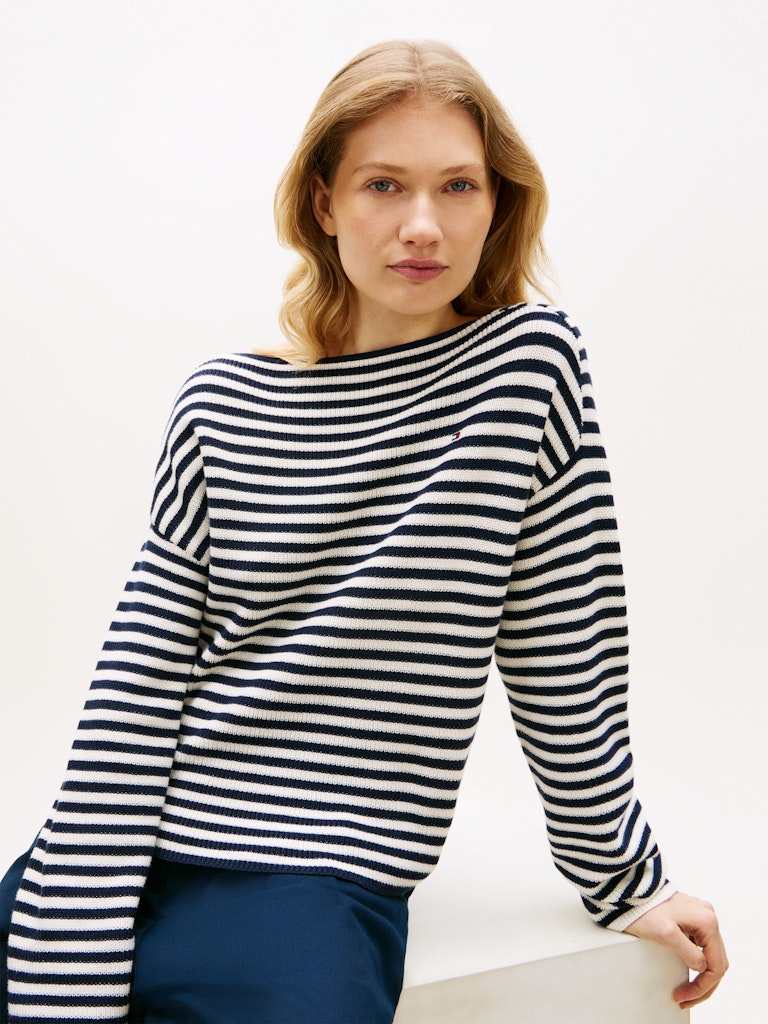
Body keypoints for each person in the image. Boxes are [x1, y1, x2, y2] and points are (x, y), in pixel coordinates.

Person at [2, 38, 727, 1024]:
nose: (422, 225)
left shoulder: (525, 368)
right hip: (133, 844)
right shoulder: (221, 401)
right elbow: (140, 675)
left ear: (496, 204)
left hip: (319, 877)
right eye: (384, 184)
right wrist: (70, 944)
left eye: (458, 186)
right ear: (324, 203)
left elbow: (566, 655)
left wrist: (624, 878)